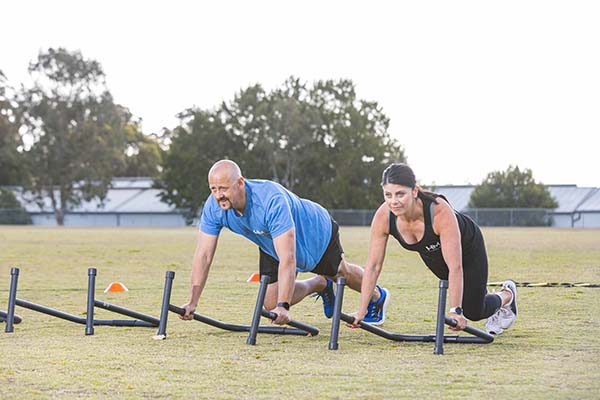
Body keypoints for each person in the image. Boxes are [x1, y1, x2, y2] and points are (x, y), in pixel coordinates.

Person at [180, 159, 390, 326]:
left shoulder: (270, 200)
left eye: (223, 188)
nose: (218, 195)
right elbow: (204, 255)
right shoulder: (213, 207)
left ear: (240, 183)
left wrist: (285, 306)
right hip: (269, 240)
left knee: (340, 273)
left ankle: (377, 296)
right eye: (214, 189)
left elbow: (289, 258)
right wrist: (193, 301)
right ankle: (319, 284)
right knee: (270, 303)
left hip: (314, 230)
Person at [353, 163, 517, 335]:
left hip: (468, 248)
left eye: (400, 194)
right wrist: (362, 310)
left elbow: (455, 267)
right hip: (432, 252)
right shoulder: (383, 216)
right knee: (471, 295)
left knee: (473, 311)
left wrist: (456, 310)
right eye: (388, 195)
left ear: (414, 191)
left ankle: (508, 296)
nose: (394, 201)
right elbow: (373, 266)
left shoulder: (439, 211)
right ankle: (479, 295)